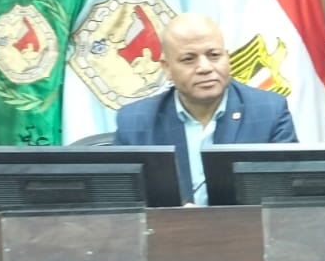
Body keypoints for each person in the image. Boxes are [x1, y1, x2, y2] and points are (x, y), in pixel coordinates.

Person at [115, 13, 297, 205]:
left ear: (227, 57)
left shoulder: (270, 112)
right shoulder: (134, 123)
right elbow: (122, 205)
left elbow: (288, 198)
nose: (205, 68)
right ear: (167, 68)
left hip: (248, 225)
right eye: (188, 59)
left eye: (214, 55)